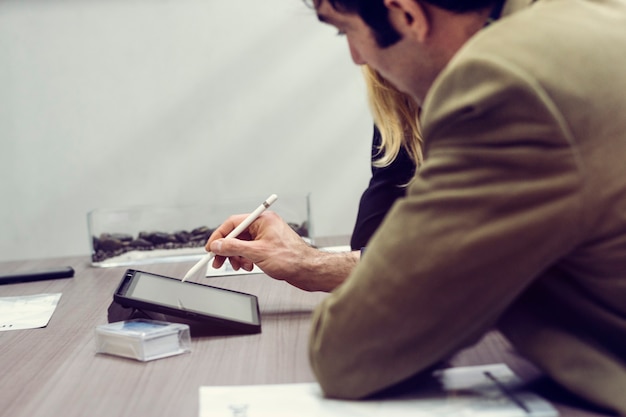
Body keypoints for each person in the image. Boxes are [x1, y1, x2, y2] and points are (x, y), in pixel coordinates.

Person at [208, 0, 626, 413]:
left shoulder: (503, 81)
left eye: (345, 31)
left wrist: (315, 267)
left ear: (406, 13)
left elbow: (353, 352)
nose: (357, 58)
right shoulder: (592, 16)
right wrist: (313, 265)